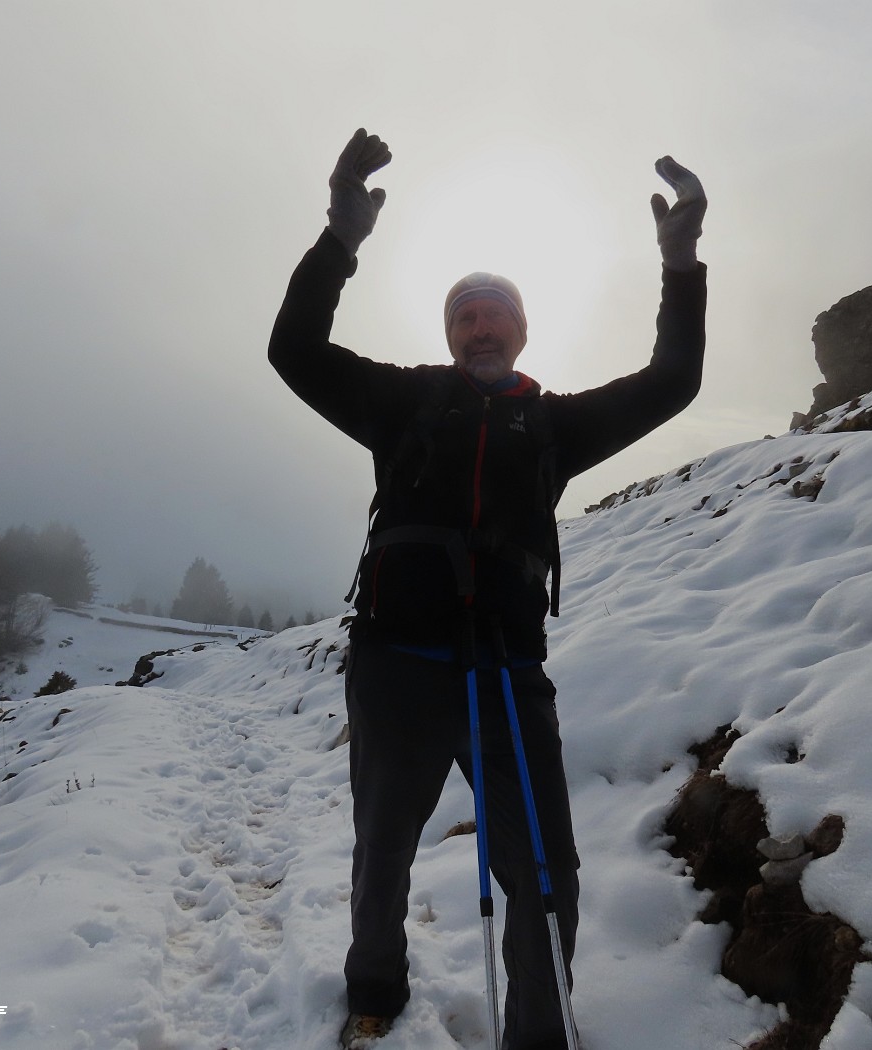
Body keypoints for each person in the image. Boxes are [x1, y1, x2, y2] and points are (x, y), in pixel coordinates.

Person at [268, 129, 707, 1050]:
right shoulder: (405, 402)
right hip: (395, 669)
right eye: (464, 315)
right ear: (449, 333)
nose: (478, 326)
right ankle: (375, 989)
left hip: (508, 676)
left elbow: (671, 383)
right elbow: (296, 351)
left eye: (493, 314)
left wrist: (681, 265)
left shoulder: (552, 425)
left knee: (544, 874)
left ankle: (539, 1036)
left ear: (520, 332)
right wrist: (338, 241)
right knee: (383, 857)